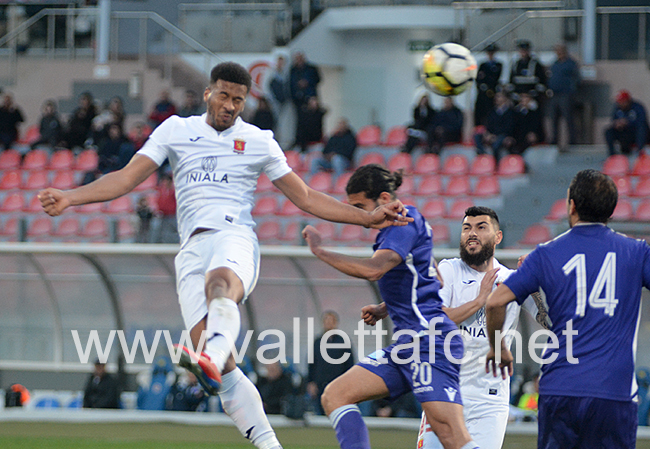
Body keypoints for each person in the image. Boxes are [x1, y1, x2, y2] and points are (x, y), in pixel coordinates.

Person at [38, 62, 410, 449]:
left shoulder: (259, 140)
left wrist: (366, 219)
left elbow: (306, 197)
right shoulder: (177, 130)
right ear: (207, 94)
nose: (230, 106)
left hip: (234, 237)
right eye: (224, 96)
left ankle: (211, 354)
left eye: (239, 99)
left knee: (220, 288)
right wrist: (71, 197)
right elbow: (127, 177)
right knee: (224, 367)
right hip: (191, 250)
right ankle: (266, 439)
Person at [302, 164, 480, 449]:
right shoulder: (395, 231)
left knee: (451, 436)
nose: (360, 216)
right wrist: (387, 307)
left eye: (361, 206)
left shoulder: (404, 221)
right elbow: (434, 278)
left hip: (429, 342)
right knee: (334, 395)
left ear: (384, 199)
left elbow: (375, 269)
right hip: (406, 345)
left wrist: (320, 251)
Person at [486, 169, 650, 449]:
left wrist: (497, 346)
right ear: (611, 210)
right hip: (614, 391)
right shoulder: (636, 252)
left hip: (560, 387)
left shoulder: (545, 253)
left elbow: (495, 301)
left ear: (571, 205)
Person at [416, 206, 545, 449]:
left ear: (498, 237)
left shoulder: (511, 279)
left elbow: (549, 322)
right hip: (444, 392)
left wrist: (537, 284)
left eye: (481, 227)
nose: (471, 233)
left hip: (490, 400)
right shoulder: (449, 269)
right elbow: (435, 320)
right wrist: (479, 300)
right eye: (467, 228)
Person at [306, 310, 355, 415]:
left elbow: (349, 364)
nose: (329, 323)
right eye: (326, 321)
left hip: (337, 384)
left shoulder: (343, 341)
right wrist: (311, 382)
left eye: (331, 321)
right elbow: (311, 363)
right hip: (320, 385)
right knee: (319, 411)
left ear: (336, 323)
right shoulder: (317, 342)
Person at [546, 44, 580, 148]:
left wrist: (572, 89)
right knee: (554, 118)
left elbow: (577, 78)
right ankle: (555, 139)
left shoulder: (571, 63)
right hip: (554, 94)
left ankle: (572, 140)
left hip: (566, 94)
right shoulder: (554, 64)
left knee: (568, 118)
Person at [604, 89, 649, 156]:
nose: (620, 104)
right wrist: (617, 124)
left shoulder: (637, 107)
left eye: (622, 102)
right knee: (608, 131)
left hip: (636, 132)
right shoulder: (617, 109)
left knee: (642, 128)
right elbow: (613, 120)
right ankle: (612, 154)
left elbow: (642, 121)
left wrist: (628, 122)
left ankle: (640, 151)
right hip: (625, 133)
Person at [473, 91, 515, 163]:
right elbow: (488, 125)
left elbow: (508, 128)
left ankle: (496, 162)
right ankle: (482, 156)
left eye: (499, 96)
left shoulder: (510, 112)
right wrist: (487, 134)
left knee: (497, 143)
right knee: (477, 136)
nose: (496, 98)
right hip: (492, 134)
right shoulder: (492, 111)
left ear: (505, 98)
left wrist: (494, 136)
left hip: (503, 135)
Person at [473, 43, 503, 128]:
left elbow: (494, 78)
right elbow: (478, 79)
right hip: (482, 93)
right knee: (480, 111)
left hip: (492, 93)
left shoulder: (498, 65)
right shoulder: (483, 65)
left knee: (491, 112)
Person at [154, 173, 178, 244]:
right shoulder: (163, 192)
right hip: (164, 215)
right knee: (162, 232)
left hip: (173, 215)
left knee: (173, 232)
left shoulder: (174, 192)